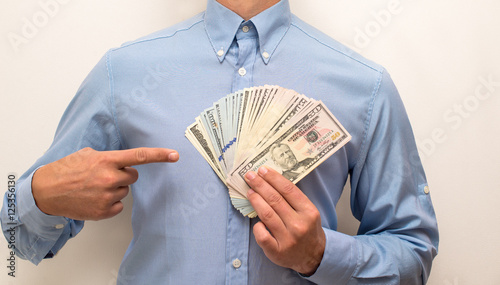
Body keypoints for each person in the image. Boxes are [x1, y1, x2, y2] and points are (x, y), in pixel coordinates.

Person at [1, 0, 439, 284]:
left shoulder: (365, 86)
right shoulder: (124, 72)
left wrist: (322, 254)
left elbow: (413, 253)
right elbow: (16, 239)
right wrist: (37, 193)